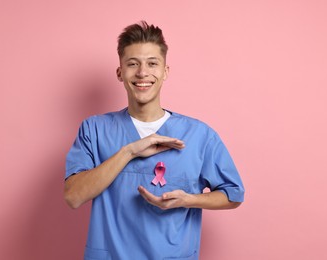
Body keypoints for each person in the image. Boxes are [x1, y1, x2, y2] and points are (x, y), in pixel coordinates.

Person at [64, 21, 245, 260]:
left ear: (165, 71)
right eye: (132, 64)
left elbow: (233, 194)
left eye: (152, 63)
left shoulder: (199, 135)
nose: (142, 73)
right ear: (120, 72)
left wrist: (188, 200)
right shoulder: (94, 130)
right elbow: (73, 196)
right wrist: (128, 152)